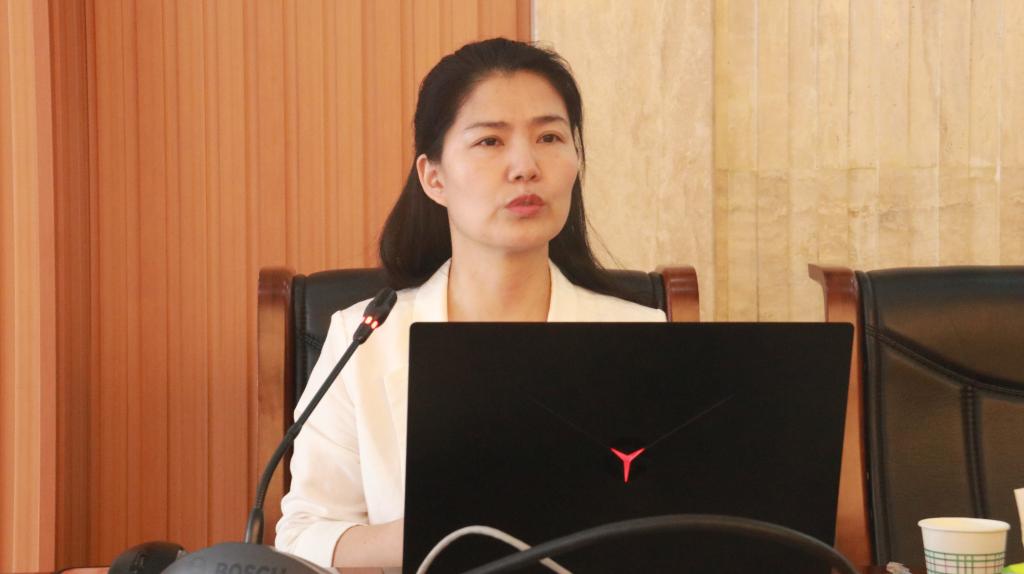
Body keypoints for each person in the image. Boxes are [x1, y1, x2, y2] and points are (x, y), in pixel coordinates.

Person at [275, 37, 666, 570]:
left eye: (550, 137)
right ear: (433, 177)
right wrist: (446, 531)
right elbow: (301, 537)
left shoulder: (642, 335)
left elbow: (678, 531)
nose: (525, 166)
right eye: (489, 141)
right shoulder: (364, 338)